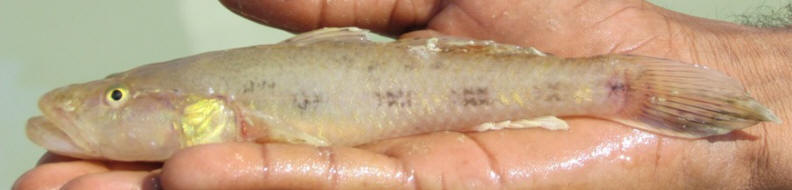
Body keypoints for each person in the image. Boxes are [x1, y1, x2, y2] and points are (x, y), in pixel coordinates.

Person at [14, 0, 792, 189]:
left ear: (197, 111)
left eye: (116, 97)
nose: (93, 108)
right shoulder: (212, 93)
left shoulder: (212, 95)